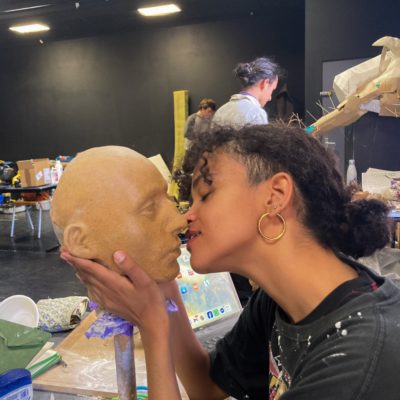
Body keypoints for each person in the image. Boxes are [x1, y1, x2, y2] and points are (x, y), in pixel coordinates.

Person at [61, 124, 400, 400]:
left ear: (275, 197)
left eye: (206, 195)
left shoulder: (362, 362)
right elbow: (206, 386)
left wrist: (153, 326)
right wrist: (159, 285)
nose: (184, 218)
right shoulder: (280, 303)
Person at [212, 57, 280, 128]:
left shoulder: (221, 111)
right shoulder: (256, 114)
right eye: (272, 90)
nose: (270, 98)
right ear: (265, 83)